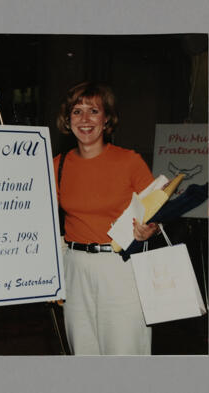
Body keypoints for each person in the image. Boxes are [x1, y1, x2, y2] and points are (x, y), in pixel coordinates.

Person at [54, 81, 158, 355]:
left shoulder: (129, 161)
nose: (85, 119)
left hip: (120, 266)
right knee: (83, 352)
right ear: (68, 119)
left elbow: (157, 212)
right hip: (74, 267)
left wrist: (150, 228)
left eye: (93, 111)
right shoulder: (58, 164)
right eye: (77, 111)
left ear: (107, 118)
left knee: (125, 352)